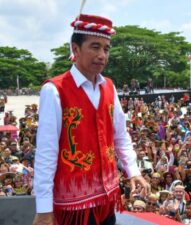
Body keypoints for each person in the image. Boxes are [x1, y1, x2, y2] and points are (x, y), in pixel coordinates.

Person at [33, 14, 149, 225]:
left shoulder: (109, 86)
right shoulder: (54, 90)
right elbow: (46, 152)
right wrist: (43, 209)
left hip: (106, 200)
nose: (102, 55)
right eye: (95, 47)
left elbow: (121, 135)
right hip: (72, 207)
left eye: (106, 49)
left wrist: (133, 171)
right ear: (75, 50)